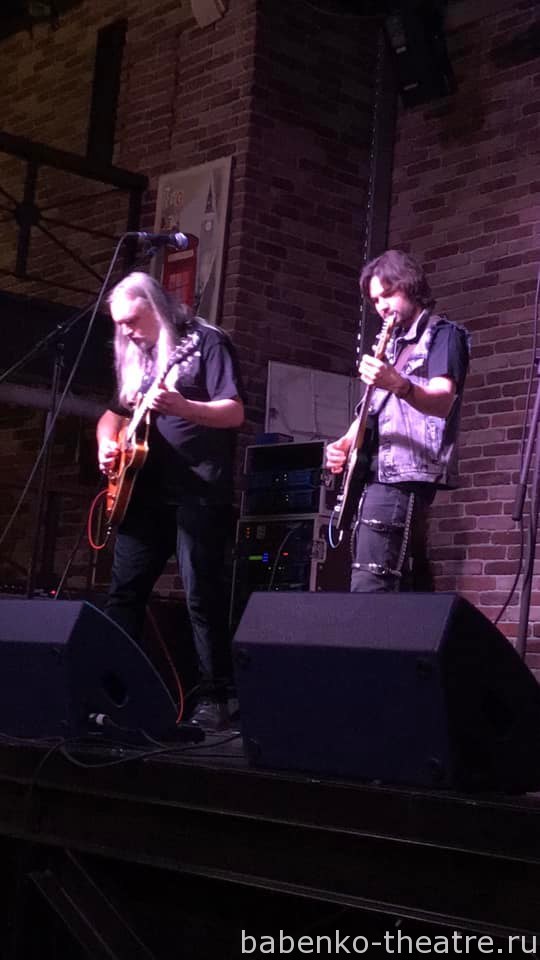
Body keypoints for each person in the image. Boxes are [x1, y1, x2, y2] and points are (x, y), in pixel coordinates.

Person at [97, 271, 245, 732]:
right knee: (124, 593)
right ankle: (113, 693)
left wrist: (185, 408)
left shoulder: (205, 343)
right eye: (119, 325)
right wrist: (106, 445)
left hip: (198, 489)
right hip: (142, 491)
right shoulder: (137, 355)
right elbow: (111, 416)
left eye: (132, 321)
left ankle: (218, 696)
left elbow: (234, 411)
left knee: (202, 594)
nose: (126, 332)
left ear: (157, 308)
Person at [326, 249, 470, 593]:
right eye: (375, 300)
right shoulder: (392, 346)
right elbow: (373, 410)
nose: (381, 306)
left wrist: (399, 384)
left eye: (387, 294)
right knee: (404, 583)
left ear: (409, 285)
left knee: (370, 583)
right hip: (374, 473)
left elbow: (442, 401)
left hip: (405, 474)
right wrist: (345, 443)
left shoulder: (443, 334)